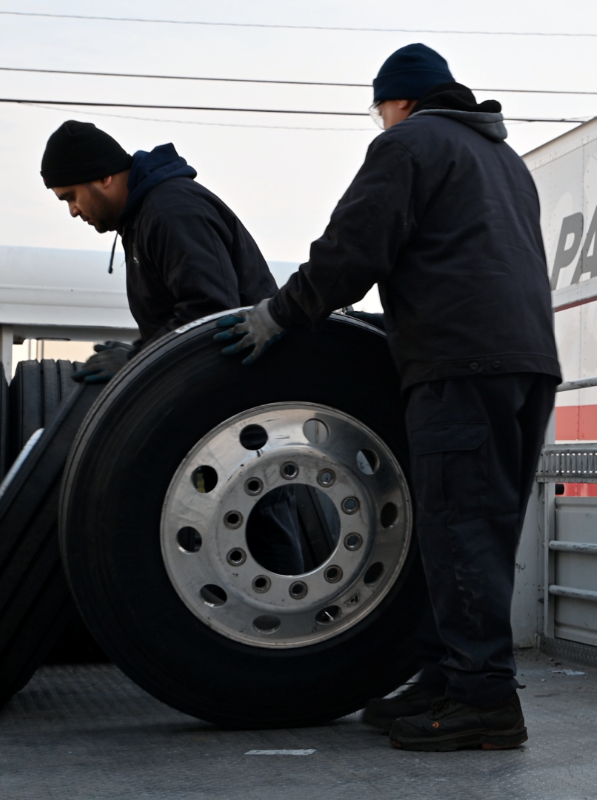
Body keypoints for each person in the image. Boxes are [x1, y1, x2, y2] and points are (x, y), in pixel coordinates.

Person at [217, 43, 561, 752]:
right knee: (479, 526)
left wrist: (283, 314)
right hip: (525, 361)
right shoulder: (503, 160)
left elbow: (354, 247)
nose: (379, 123)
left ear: (399, 101)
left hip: (458, 364)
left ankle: (484, 699)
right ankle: (445, 675)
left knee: (457, 526)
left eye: (379, 110)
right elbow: (467, 259)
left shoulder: (409, 144)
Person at [41, 120, 304, 572]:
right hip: (219, 404)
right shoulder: (145, 217)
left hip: (247, 404)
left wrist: (133, 361)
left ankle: (293, 631)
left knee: (259, 525)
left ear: (104, 178)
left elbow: (209, 316)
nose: (72, 212)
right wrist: (138, 348)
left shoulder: (171, 211)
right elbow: (177, 318)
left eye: (71, 197)